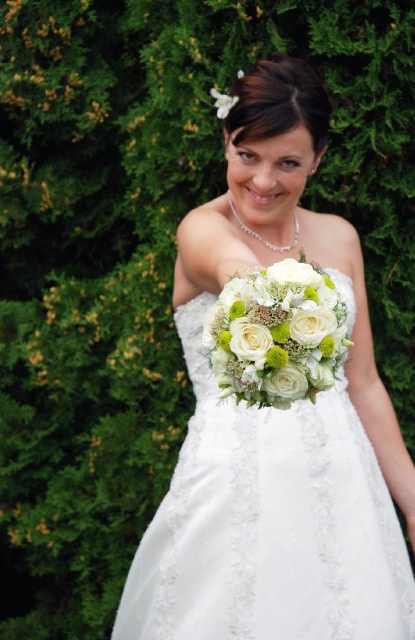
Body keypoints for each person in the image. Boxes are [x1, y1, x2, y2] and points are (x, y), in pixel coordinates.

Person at [112, 52, 415, 639]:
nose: (263, 180)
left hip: (344, 490)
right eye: (247, 155)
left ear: (318, 160)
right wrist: (262, 289)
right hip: (238, 490)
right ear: (226, 142)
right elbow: (233, 268)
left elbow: (363, 383)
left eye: (288, 162)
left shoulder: (339, 238)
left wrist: (411, 500)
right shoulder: (202, 228)